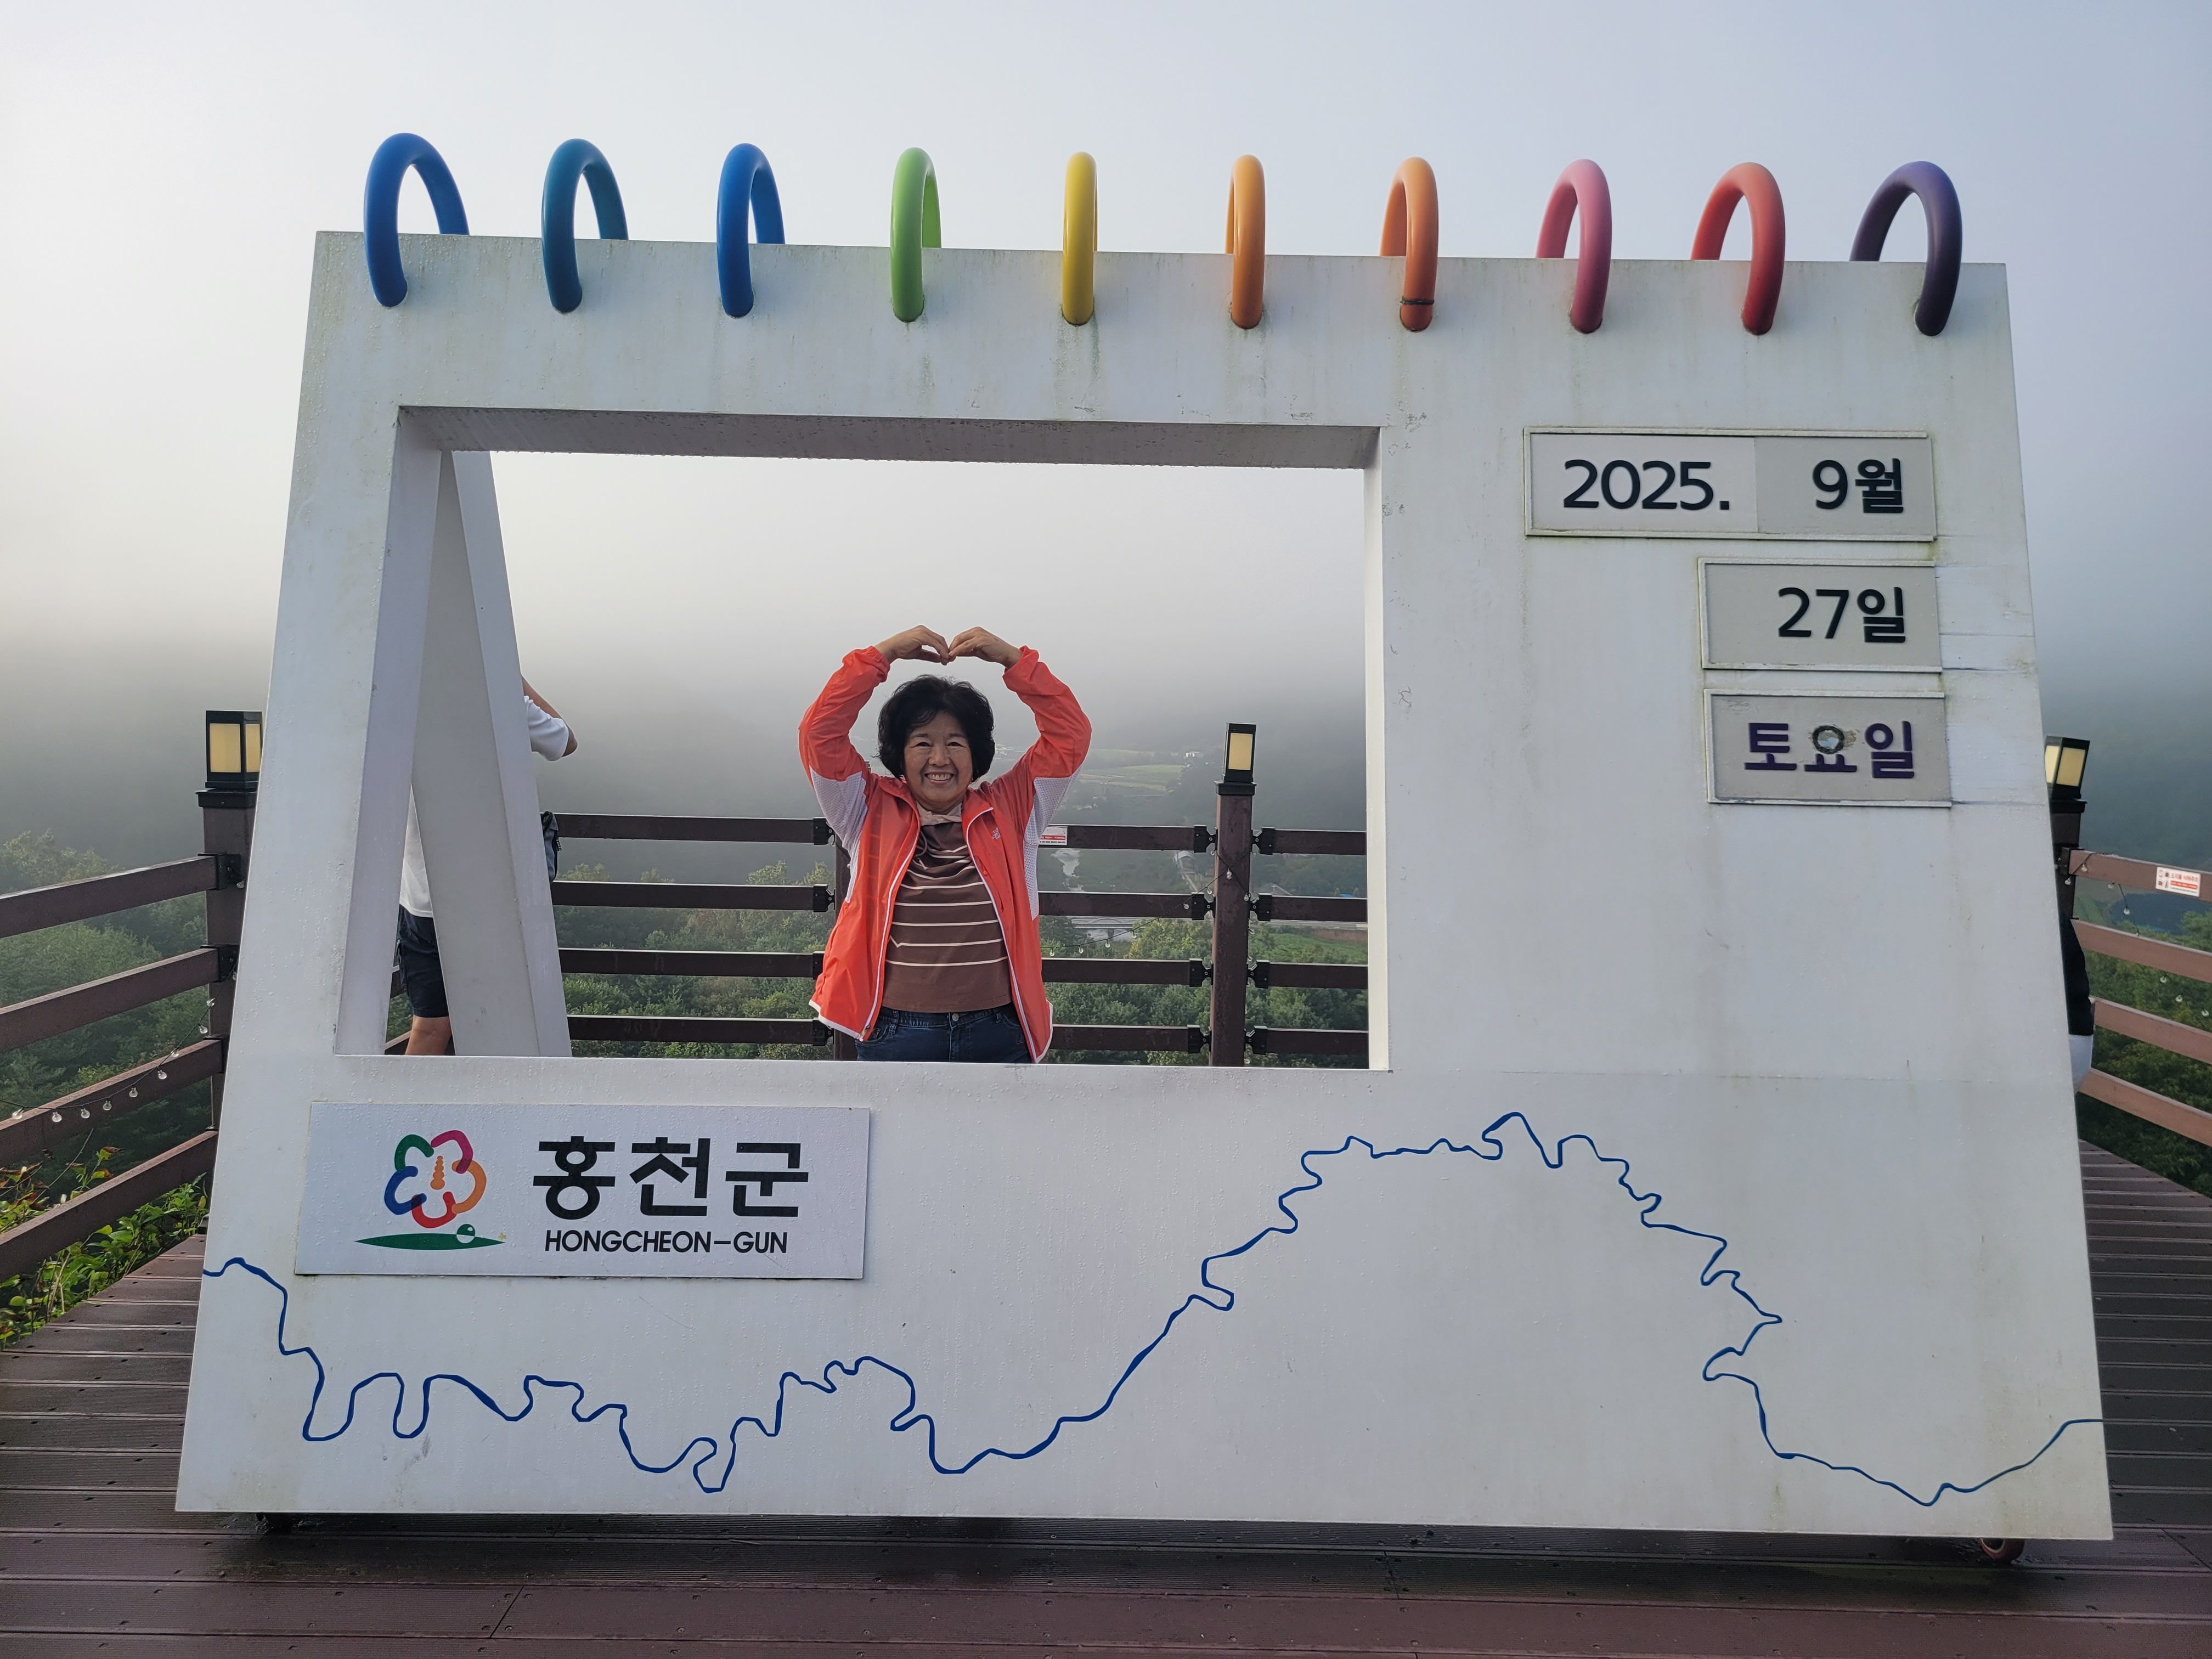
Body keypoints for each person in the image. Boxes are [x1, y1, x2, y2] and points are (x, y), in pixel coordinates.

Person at [801, 626, 1091, 1062]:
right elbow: (819, 734)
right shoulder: (866, 808)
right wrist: (883, 655)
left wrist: (1014, 661)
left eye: (955, 743)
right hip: (894, 1030)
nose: (940, 759)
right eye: (923, 743)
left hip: (999, 1029)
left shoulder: (1011, 809)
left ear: (977, 754)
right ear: (900, 754)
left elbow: (1070, 735)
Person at [394, 678, 577, 1056]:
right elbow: (565, 741)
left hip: (422, 900)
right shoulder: (499, 701)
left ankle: (411, 1097)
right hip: (495, 904)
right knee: (504, 1022)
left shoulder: (397, 701)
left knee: (430, 1028)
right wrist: (514, 678)